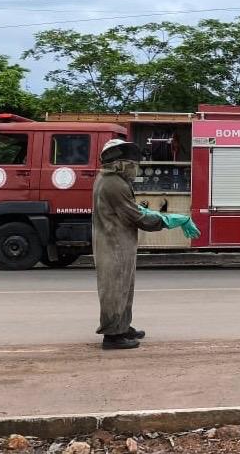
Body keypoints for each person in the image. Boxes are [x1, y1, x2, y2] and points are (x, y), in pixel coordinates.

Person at [93, 139, 164, 350]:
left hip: (119, 240)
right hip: (113, 242)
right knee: (115, 288)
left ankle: (122, 326)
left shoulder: (111, 180)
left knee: (124, 286)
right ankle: (112, 335)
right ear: (119, 163)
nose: (135, 167)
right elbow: (135, 216)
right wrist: (164, 220)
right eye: (131, 163)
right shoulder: (114, 184)